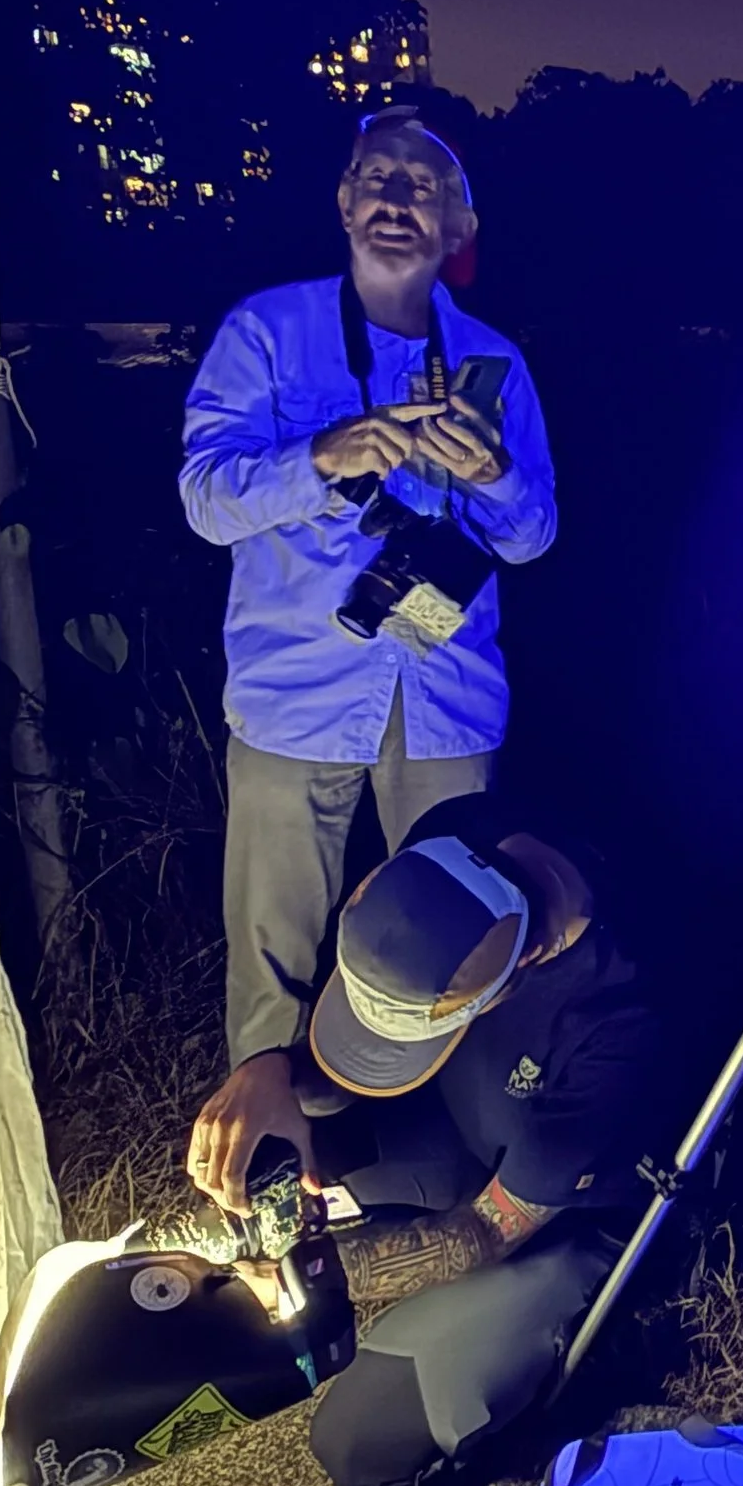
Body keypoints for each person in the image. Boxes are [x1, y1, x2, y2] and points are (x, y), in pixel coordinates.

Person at [180, 109, 556, 1073]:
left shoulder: (495, 365)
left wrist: (491, 475)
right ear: (345, 201)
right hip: (294, 695)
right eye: (378, 178)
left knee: (460, 946)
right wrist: (323, 454)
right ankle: (268, 1174)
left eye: (423, 186)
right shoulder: (267, 331)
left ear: (460, 227)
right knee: (272, 961)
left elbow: (531, 536)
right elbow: (205, 499)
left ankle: (444, 1165)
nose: (397, 199)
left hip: (445, 697)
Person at [184, 801, 659, 1486]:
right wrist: (272, 1070)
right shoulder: (453, 834)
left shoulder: (622, 1021)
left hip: (570, 1212)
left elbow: (485, 1230)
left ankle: (619, 1338)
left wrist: (315, 1276)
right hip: (465, 1127)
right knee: (273, 1181)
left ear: (523, 961)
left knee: (358, 1439)